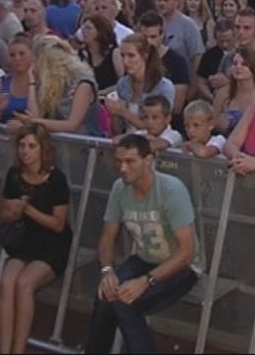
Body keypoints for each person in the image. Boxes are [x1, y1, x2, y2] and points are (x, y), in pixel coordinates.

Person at [85, 134, 198, 354]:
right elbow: (107, 237)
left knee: (125, 304)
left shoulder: (171, 190)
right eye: (119, 162)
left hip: (181, 266)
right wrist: (107, 271)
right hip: (144, 259)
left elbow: (187, 252)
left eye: (130, 161)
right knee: (105, 296)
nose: (123, 168)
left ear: (148, 160)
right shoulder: (119, 188)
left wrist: (145, 282)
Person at [0, 123, 73, 355]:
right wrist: (13, 212)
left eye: (31, 146)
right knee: (7, 283)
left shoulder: (57, 179)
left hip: (51, 243)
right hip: (24, 240)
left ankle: (19, 350)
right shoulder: (14, 175)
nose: (25, 151)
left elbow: (58, 224)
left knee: (24, 284)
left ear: (42, 149)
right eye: (21, 145)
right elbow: (3, 214)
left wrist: (28, 210)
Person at [15, 36, 99, 136]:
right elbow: (35, 115)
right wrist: (32, 82)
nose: (33, 66)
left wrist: (34, 122)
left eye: (36, 61)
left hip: (83, 145)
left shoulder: (83, 84)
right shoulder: (48, 83)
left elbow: (72, 125)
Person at [106, 34, 176, 134]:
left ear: (145, 56)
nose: (125, 61)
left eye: (131, 55)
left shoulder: (164, 87)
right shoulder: (123, 84)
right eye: (122, 56)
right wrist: (115, 114)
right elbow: (118, 129)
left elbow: (157, 128)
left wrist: (123, 112)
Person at [79, 14, 123, 93]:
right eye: (83, 28)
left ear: (100, 31)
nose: (83, 31)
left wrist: (104, 92)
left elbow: (123, 82)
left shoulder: (115, 53)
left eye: (88, 28)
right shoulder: (82, 54)